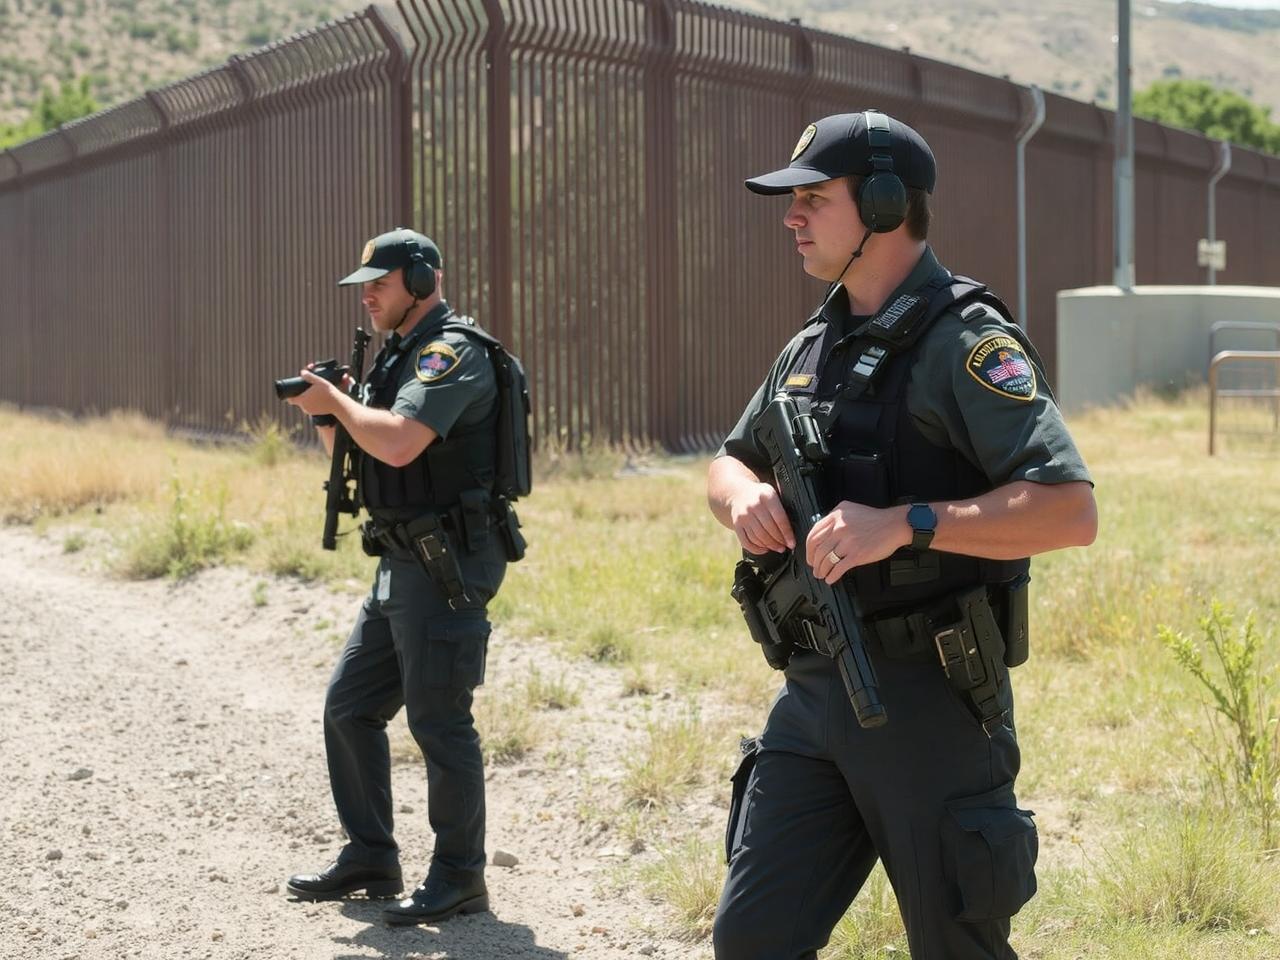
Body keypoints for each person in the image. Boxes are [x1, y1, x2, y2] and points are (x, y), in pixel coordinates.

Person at [707, 112, 1098, 959]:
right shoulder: (814, 342)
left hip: (929, 702)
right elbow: (727, 463)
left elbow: (1070, 508)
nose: (792, 216)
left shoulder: (965, 342)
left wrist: (909, 523)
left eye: (813, 198)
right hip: (815, 692)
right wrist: (742, 498)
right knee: (752, 940)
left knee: (955, 947)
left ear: (885, 206)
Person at [283, 228, 511, 925]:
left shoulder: (452, 354)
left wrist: (342, 404)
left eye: (380, 282)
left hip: (446, 562)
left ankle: (460, 877)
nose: (370, 295)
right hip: (399, 558)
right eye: (365, 286)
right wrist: (332, 410)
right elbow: (359, 450)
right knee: (349, 706)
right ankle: (373, 856)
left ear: (421, 277)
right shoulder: (397, 361)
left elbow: (400, 441)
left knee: (440, 722)